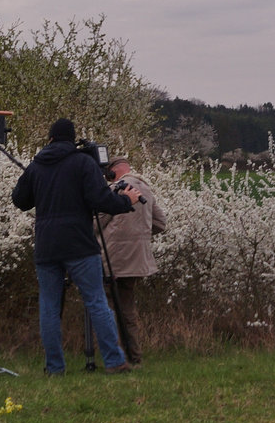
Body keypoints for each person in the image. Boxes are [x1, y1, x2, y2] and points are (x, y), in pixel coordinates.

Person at [11, 118, 138, 375]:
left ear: (50, 139)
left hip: (47, 245)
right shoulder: (83, 163)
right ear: (72, 140)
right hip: (79, 243)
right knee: (95, 301)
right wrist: (126, 200)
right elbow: (100, 199)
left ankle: (55, 367)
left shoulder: (36, 166)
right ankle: (114, 361)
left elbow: (20, 200)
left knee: (49, 306)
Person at [96, 157, 167, 365]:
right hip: (138, 260)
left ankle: (115, 359)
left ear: (113, 172)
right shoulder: (145, 189)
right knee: (127, 309)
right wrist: (140, 234)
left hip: (111, 259)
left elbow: (97, 223)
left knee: (106, 309)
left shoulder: (116, 189)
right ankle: (135, 357)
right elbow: (161, 224)